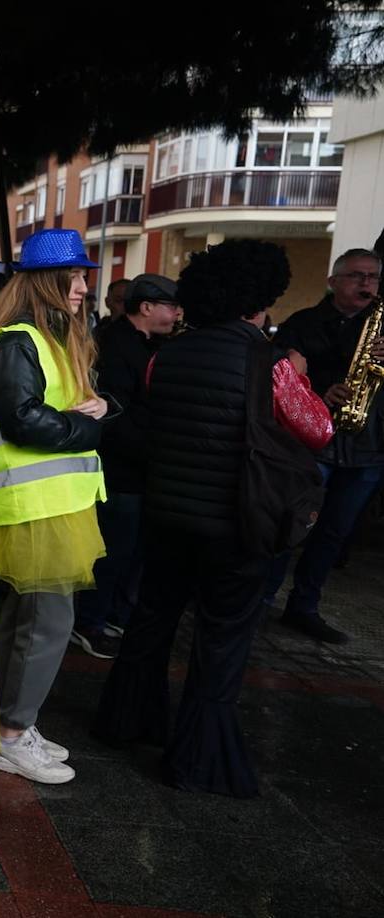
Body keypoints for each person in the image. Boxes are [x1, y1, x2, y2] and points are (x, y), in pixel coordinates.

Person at [93, 239, 328, 797]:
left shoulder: (165, 356)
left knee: (152, 619)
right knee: (221, 638)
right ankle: (197, 758)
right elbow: (316, 429)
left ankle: (128, 721)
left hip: (167, 513)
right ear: (260, 298)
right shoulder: (269, 364)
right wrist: (301, 375)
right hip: (235, 522)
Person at [0, 227, 111, 786]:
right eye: (74, 277)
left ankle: (6, 725)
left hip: (45, 505)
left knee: (29, 621)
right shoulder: (20, 339)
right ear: (48, 282)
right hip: (33, 508)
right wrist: (87, 425)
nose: (81, 287)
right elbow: (24, 419)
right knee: (45, 623)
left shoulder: (33, 338)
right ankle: (9, 734)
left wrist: (92, 411)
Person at [263, 248, 384, 644]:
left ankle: (304, 607)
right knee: (291, 523)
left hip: (367, 444)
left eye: (372, 277)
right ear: (333, 281)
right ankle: (261, 599)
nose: (366, 284)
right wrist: (320, 389)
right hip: (314, 441)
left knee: (335, 532)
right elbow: (280, 378)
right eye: (356, 276)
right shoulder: (304, 323)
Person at [71, 274, 179, 659]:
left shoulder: (154, 344)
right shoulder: (115, 345)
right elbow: (114, 412)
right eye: (170, 305)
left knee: (130, 551)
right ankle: (90, 623)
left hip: (140, 468)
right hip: (119, 470)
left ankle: (114, 615)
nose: (176, 313)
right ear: (146, 307)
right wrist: (153, 448)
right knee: (111, 551)